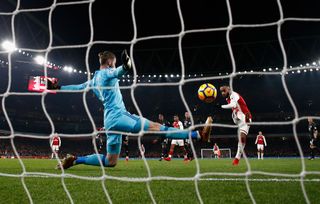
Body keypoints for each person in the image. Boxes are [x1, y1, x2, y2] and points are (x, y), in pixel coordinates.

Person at [49, 50, 212, 169]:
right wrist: (126, 64)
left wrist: (59, 87)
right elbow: (121, 70)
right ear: (110, 63)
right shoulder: (107, 73)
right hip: (120, 116)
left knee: (110, 161)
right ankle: (197, 135)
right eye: (113, 63)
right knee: (158, 128)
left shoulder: (94, 79)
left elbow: (77, 88)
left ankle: (76, 160)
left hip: (109, 121)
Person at [220, 85, 252, 166]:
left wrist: (221, 106)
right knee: (235, 112)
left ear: (229, 89)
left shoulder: (234, 94)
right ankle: (237, 116)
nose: (223, 93)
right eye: (221, 92)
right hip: (237, 118)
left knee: (242, 138)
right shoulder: (228, 98)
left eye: (224, 91)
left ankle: (237, 158)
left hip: (245, 117)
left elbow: (233, 105)